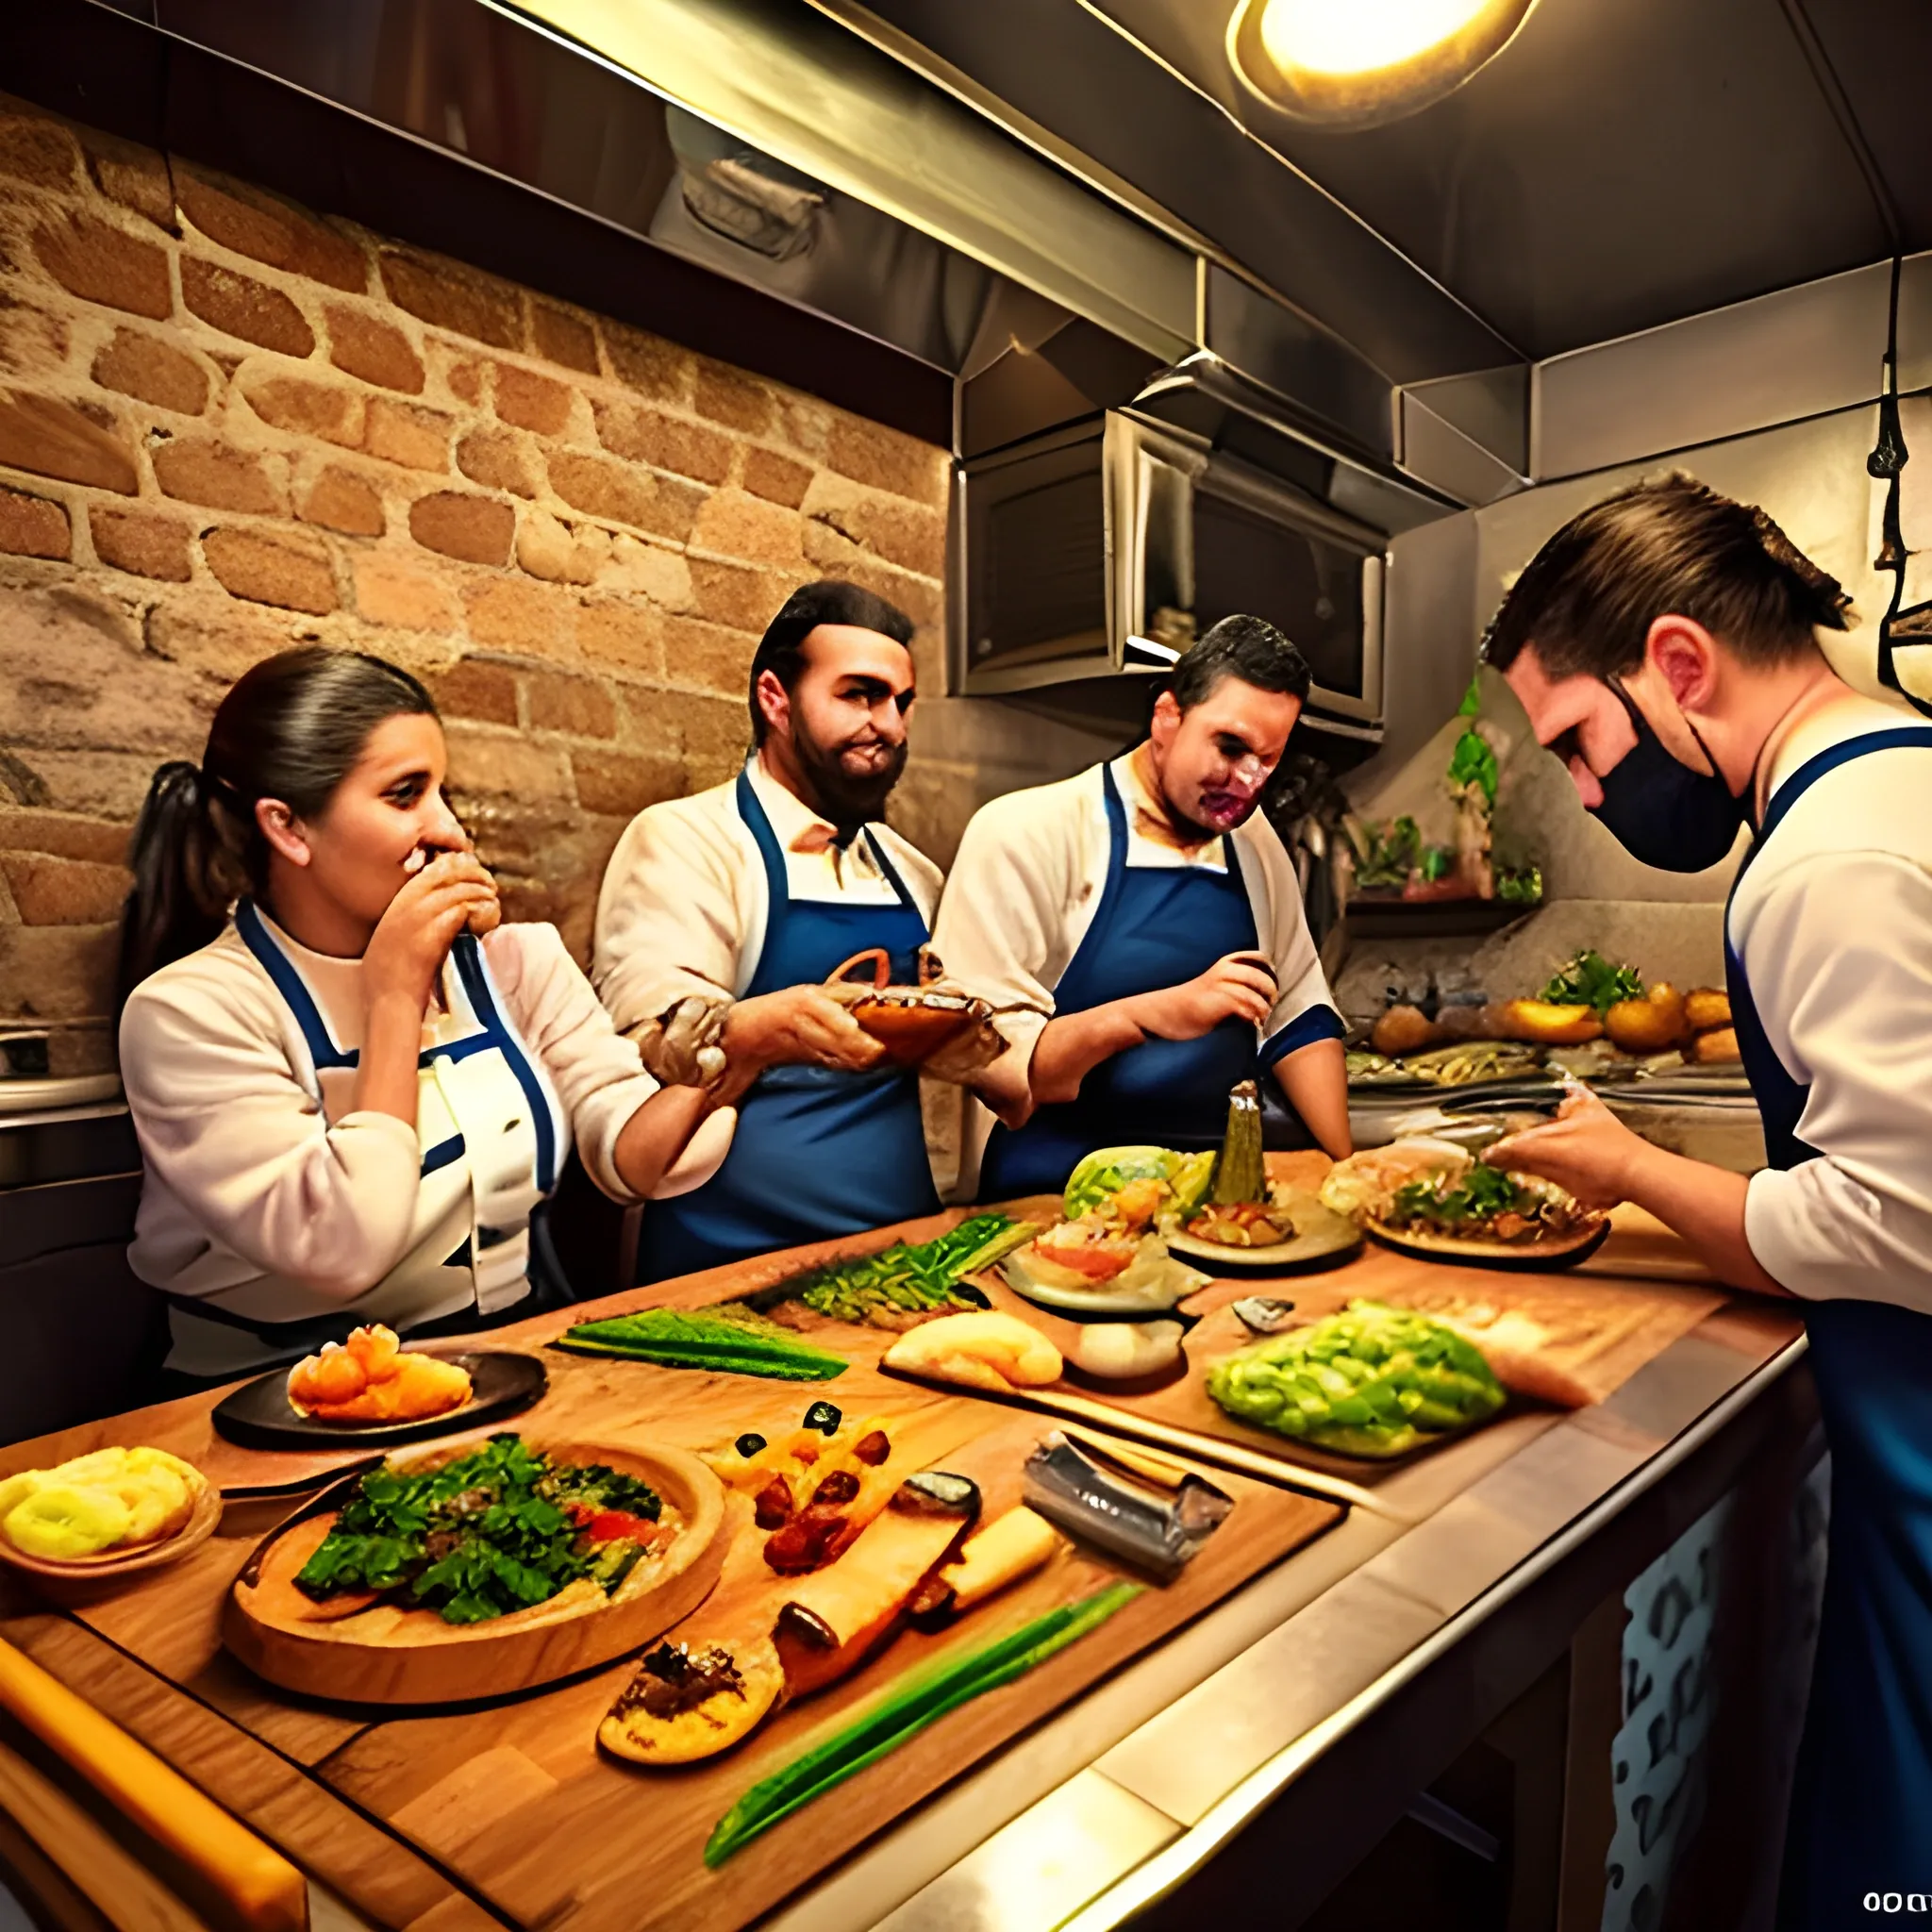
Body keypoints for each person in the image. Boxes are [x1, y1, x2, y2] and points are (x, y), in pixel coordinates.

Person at [1475, 474, 1930, 1927]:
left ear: (1678, 663)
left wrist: (1632, 1175)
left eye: (1582, 746)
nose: (1596, 793)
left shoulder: (1832, 856)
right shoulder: (1898, 777)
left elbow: (1901, 1223)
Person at [118, 647, 729, 1383]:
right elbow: (340, 1248)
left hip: (508, 1372)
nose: (449, 829)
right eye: (406, 795)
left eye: (444, 792)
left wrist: (729, 1060)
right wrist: (394, 993)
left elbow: (640, 1164)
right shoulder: (188, 1014)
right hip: (274, 1402)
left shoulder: (516, 962)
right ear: (289, 828)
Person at [593, 579, 943, 1280]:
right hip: (726, 1266)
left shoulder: (915, 873)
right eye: (859, 695)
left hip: (905, 1252)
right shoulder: (685, 842)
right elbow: (650, 1048)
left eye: (900, 703)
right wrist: (758, 1027)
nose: (891, 726)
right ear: (775, 699)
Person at [935, 614, 1352, 1201]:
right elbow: (1000, 1070)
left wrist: (1347, 1175)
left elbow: (1297, 1018)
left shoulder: (1254, 841)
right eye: (1230, 747)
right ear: (1167, 717)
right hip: (1052, 1205)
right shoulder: (1026, 832)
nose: (1247, 783)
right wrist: (1149, 1014)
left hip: (1216, 1207)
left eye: (1268, 760)